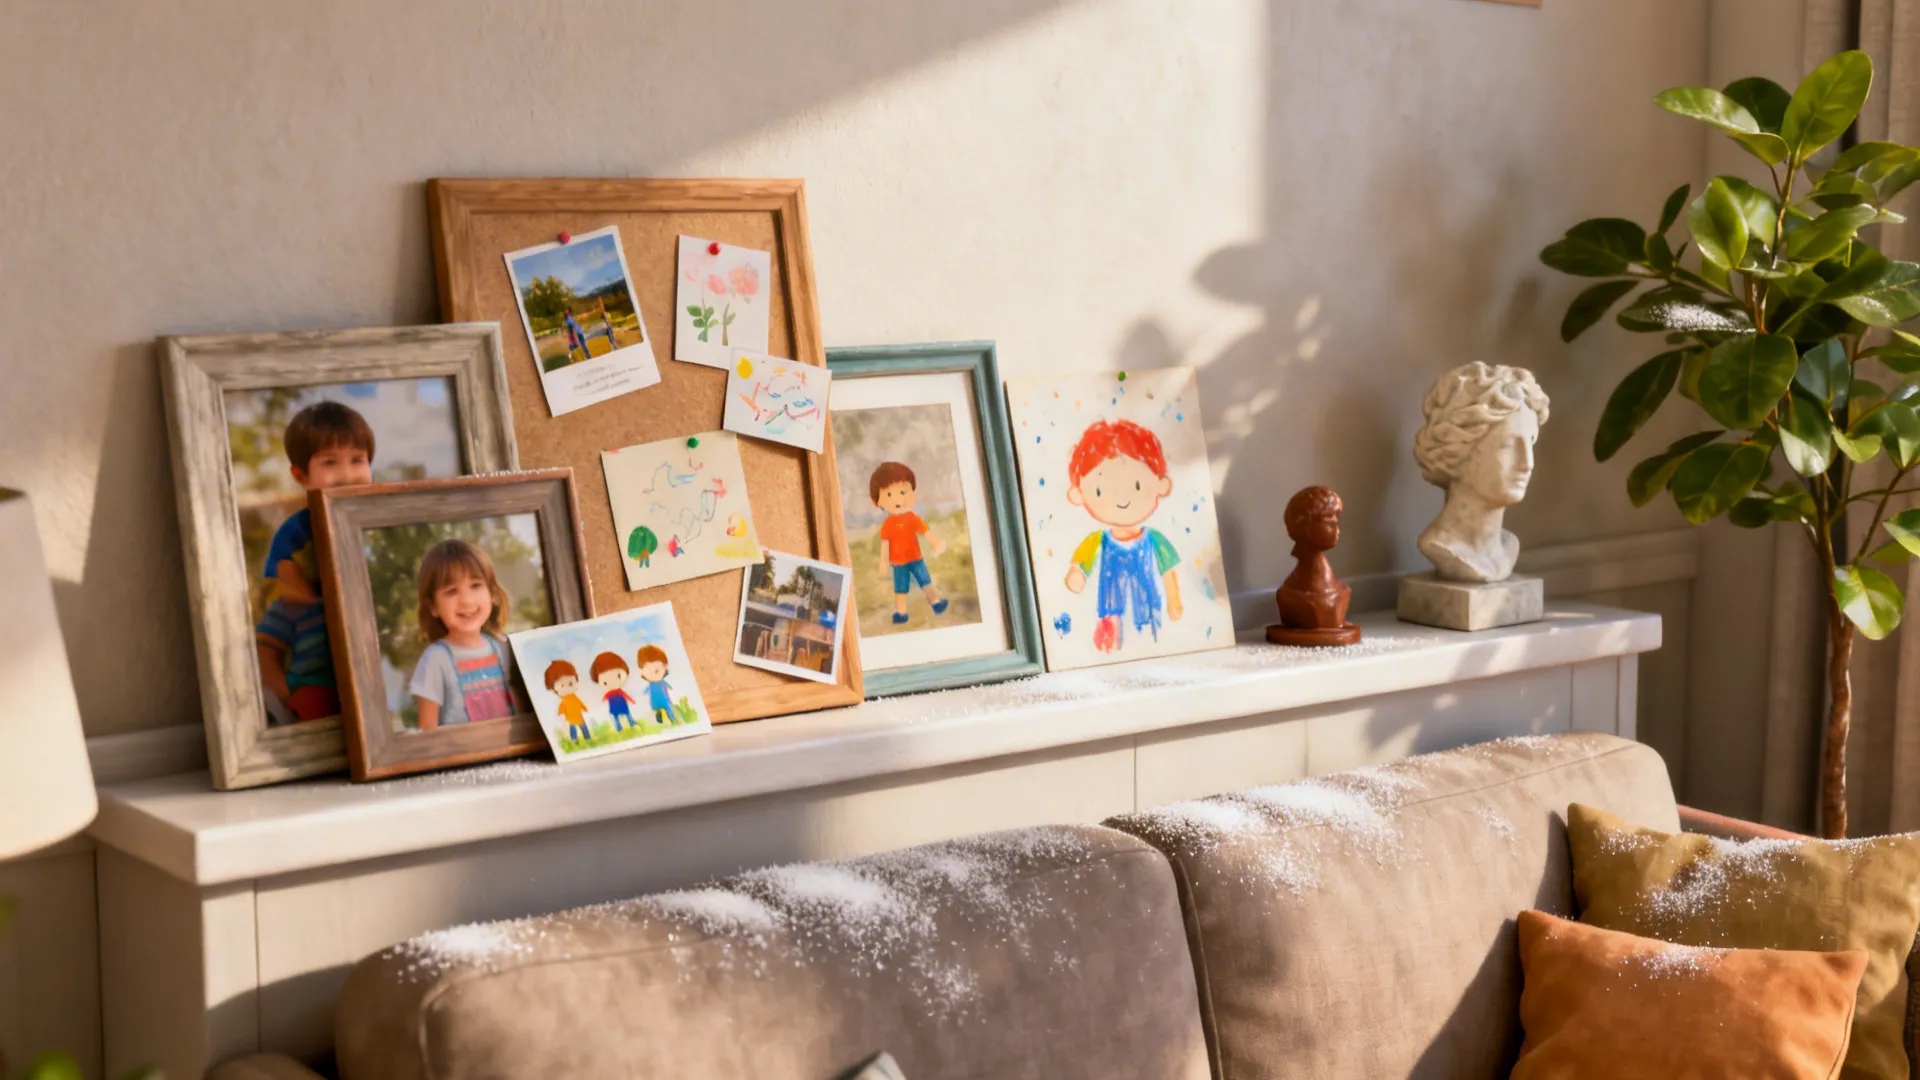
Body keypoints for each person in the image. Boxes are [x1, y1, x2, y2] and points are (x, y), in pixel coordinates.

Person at [255, 401, 375, 724]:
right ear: (300, 475)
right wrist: (286, 693)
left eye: (358, 460)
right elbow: (281, 596)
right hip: (315, 677)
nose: (348, 474)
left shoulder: (379, 525)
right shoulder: (296, 533)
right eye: (330, 463)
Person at [1063, 419, 1183, 653]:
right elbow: (1079, 566)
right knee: (1111, 647)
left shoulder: (1155, 539)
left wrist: (1174, 600)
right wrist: (1077, 574)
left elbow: (1169, 572)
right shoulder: (1097, 540)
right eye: (1100, 490)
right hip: (1110, 618)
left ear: (1160, 484)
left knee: (1154, 645)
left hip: (1149, 612)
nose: (1121, 498)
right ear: (1080, 494)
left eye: (1137, 485)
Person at [408, 538, 520, 730]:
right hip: (462, 757)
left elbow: (522, 716)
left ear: (492, 593)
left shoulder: (505, 649)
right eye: (451, 591)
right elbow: (427, 732)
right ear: (433, 606)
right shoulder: (435, 660)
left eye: (475, 586)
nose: (466, 601)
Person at [869, 461, 948, 625]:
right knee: (900, 590)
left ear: (912, 492)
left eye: (903, 492)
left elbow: (925, 532)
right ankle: (901, 613)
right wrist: (883, 564)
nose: (898, 499)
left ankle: (936, 604)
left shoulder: (912, 518)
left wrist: (935, 543)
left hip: (916, 558)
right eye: (889, 495)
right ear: (878, 501)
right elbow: (885, 546)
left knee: (926, 582)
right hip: (898, 563)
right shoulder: (888, 525)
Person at [545, 659, 591, 745]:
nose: (567, 687)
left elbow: (580, 703)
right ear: (553, 688)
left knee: (583, 728)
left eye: (570, 683)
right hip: (570, 718)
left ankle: (588, 738)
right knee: (573, 730)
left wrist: (584, 708)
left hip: (579, 716)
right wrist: (561, 714)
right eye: (562, 685)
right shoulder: (564, 700)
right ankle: (575, 741)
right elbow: (562, 708)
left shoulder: (574, 697)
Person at [591, 651, 637, 732]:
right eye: (605, 682)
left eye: (618, 676)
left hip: (622, 704)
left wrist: (631, 700)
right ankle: (618, 726)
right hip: (614, 706)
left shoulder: (619, 691)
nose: (612, 682)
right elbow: (605, 698)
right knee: (616, 716)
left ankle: (631, 722)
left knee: (627, 713)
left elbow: (625, 696)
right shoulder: (609, 693)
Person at [636, 644, 677, 726]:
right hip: (655, 702)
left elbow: (667, 686)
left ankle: (672, 718)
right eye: (647, 673)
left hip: (664, 700)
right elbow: (646, 690)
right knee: (658, 709)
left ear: (665, 666)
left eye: (656, 671)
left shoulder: (661, 683)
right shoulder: (651, 685)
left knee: (668, 708)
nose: (652, 675)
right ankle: (660, 717)